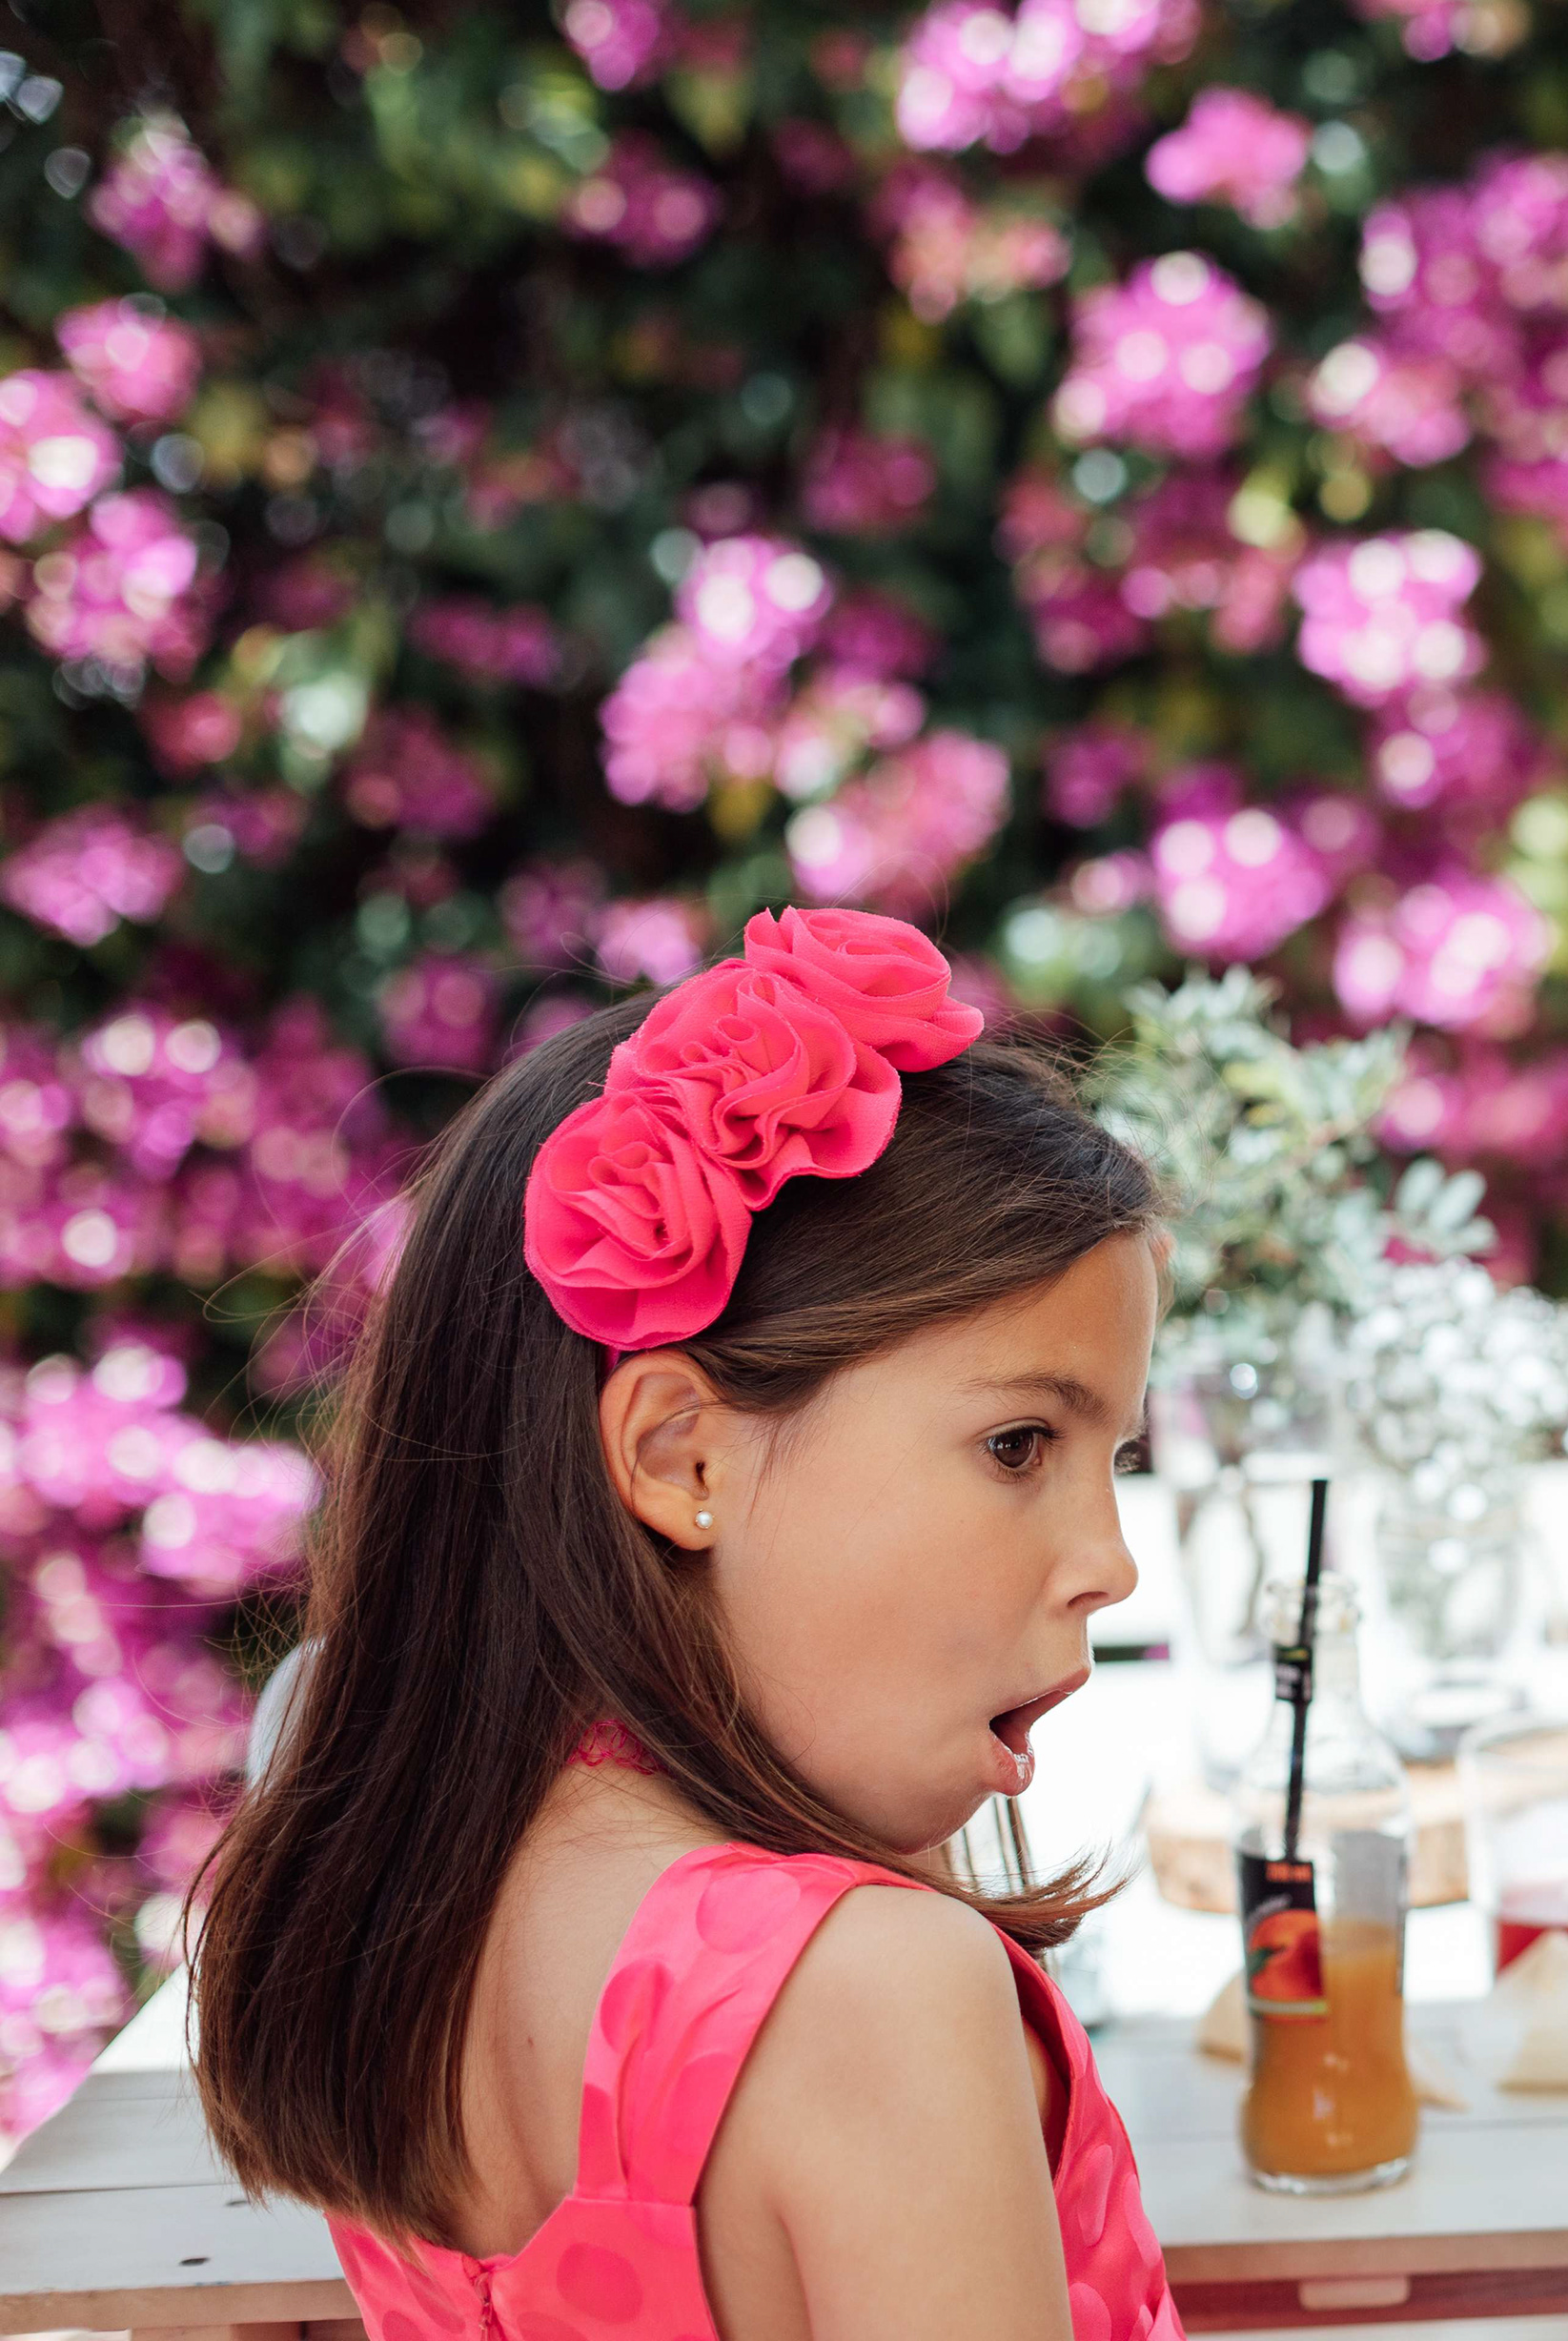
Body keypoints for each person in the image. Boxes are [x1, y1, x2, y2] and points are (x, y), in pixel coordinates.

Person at [193, 907, 1181, 2341]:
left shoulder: (402, 1928)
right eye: (1021, 1445)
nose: (1111, 1565)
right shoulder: (874, 1994)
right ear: (679, 1458)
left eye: (1119, 1460)